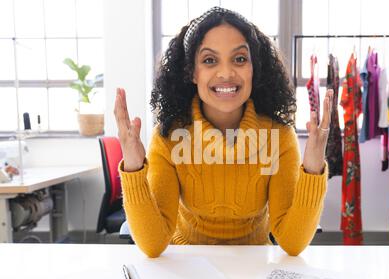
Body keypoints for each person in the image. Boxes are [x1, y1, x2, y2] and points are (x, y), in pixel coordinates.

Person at [114, 7, 333, 258]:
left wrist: (314, 169)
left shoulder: (279, 136)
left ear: (254, 68)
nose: (227, 73)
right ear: (192, 72)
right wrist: (133, 167)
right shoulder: (169, 137)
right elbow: (153, 245)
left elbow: (292, 243)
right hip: (187, 264)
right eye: (209, 60)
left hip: (254, 265)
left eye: (239, 59)